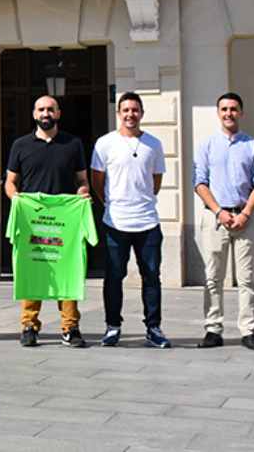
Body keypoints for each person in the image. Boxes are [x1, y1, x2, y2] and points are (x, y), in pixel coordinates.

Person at [4, 94, 91, 348]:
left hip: (64, 224)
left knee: (67, 272)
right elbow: (10, 181)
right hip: (33, 222)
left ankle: (70, 327)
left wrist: (82, 193)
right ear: (34, 114)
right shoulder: (20, 145)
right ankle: (29, 325)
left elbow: (82, 181)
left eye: (50, 109)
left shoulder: (73, 144)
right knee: (33, 271)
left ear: (58, 113)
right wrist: (16, 199)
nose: (46, 114)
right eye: (41, 109)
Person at [89, 92, 170, 349]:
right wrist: (112, 204)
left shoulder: (154, 144)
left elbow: (155, 183)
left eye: (135, 110)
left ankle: (153, 328)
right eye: (125, 110)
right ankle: (113, 326)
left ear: (142, 113)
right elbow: (97, 181)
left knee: (152, 276)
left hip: (147, 222)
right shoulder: (104, 144)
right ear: (119, 113)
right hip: (115, 223)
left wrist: (140, 200)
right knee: (114, 276)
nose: (130, 115)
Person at [193, 92, 254, 351]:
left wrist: (245, 213)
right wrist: (219, 212)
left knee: (247, 278)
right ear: (218, 113)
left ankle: (248, 331)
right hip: (215, 218)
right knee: (213, 277)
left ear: (241, 112)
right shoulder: (206, 145)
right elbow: (199, 183)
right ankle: (213, 329)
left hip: (245, 217)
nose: (228, 113)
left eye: (233, 109)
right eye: (224, 109)